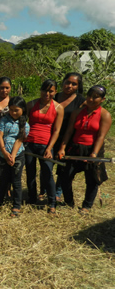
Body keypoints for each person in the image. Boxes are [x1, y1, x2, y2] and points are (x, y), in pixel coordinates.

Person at [57, 85, 112, 214]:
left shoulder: (105, 115)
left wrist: (94, 153)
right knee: (65, 175)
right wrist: (62, 148)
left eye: (95, 97)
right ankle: (68, 201)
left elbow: (100, 136)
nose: (91, 99)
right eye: (89, 96)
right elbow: (69, 131)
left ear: (102, 100)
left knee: (92, 179)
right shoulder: (77, 112)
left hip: (93, 149)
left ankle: (86, 206)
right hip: (75, 148)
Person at [25, 79, 64, 215]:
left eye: (50, 91)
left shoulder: (58, 108)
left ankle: (52, 202)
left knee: (47, 173)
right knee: (30, 173)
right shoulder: (31, 104)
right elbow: (23, 122)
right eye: (44, 90)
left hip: (46, 145)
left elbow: (57, 130)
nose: (47, 93)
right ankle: (32, 198)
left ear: (55, 92)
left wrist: (49, 148)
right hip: (29, 144)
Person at [0, 97, 30, 217]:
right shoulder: (4, 120)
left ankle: (16, 205)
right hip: (3, 155)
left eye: (16, 110)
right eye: (11, 110)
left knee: (16, 181)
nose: (13, 112)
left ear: (23, 110)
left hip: (17, 156)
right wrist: (4, 152)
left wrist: (12, 156)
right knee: (3, 180)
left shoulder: (25, 125)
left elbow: (19, 141)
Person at [54, 73, 85, 203]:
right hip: (51, 135)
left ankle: (58, 192)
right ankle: (45, 190)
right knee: (47, 164)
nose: (69, 86)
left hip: (68, 138)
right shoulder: (53, 96)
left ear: (78, 86)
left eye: (74, 84)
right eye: (67, 82)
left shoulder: (81, 101)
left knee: (63, 166)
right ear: (63, 82)